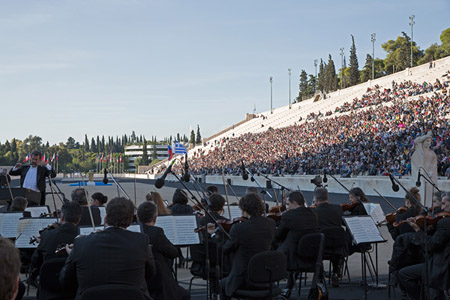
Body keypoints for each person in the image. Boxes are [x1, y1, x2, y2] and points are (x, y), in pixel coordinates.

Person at [60, 197, 156, 300]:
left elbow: (65, 279)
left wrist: (74, 255)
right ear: (130, 222)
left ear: (106, 218)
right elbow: (151, 274)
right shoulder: (141, 241)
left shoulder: (81, 243)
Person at [221, 193, 276, 298]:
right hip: (266, 275)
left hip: (244, 278)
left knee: (222, 284)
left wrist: (215, 235)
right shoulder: (271, 223)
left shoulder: (238, 228)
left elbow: (225, 250)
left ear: (245, 210)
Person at [397, 192, 450, 300]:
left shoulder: (445, 223)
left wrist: (417, 229)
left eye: (444, 204)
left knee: (404, 274)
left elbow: (430, 246)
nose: (442, 208)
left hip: (442, 266)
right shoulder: (443, 222)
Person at [137, 201, 190, 300]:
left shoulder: (135, 231)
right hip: (157, 281)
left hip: (139, 279)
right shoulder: (157, 232)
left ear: (138, 217)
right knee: (184, 295)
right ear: (155, 218)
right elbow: (173, 252)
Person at [30, 201, 82, 296]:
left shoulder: (46, 235)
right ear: (78, 220)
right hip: (73, 290)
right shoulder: (83, 237)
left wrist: (41, 245)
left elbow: (35, 261)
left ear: (62, 217)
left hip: (48, 289)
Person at [276, 190, 318, 295]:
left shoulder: (289, 215)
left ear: (295, 203)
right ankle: (288, 286)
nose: (287, 207)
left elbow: (278, 236)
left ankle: (277, 287)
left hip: (292, 258)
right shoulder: (313, 214)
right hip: (310, 257)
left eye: (288, 204)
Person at [312, 187, 345, 287]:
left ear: (316, 199)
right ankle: (336, 272)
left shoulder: (314, 211)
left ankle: (319, 273)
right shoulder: (338, 208)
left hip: (320, 248)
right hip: (338, 248)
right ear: (327, 197)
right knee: (335, 239)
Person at [411, 133, 438, 207]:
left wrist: (431, 171)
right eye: (427, 141)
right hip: (421, 176)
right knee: (422, 192)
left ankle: (429, 206)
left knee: (429, 193)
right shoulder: (418, 153)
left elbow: (434, 164)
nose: (429, 143)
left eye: (430, 141)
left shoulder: (432, 153)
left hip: (430, 175)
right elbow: (416, 141)